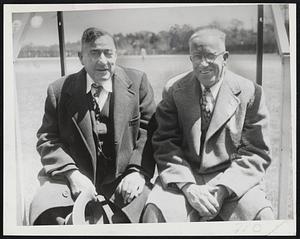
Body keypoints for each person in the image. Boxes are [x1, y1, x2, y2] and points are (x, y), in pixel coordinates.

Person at [142, 28, 274, 222]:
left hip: (233, 180)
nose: (203, 64)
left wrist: (223, 189)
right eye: (197, 57)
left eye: (210, 56)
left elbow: (256, 152)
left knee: (263, 217)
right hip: (185, 179)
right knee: (155, 214)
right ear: (190, 59)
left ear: (225, 57)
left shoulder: (250, 93)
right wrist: (189, 187)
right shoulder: (174, 90)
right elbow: (165, 144)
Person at [29, 27, 156, 225]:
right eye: (94, 53)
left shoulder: (138, 82)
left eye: (108, 53)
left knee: (150, 213)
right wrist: (72, 174)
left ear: (116, 54)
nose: (103, 61)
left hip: (123, 179)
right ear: (81, 57)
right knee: (46, 213)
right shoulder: (59, 90)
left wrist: (137, 172)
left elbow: (148, 132)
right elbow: (47, 138)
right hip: (72, 180)